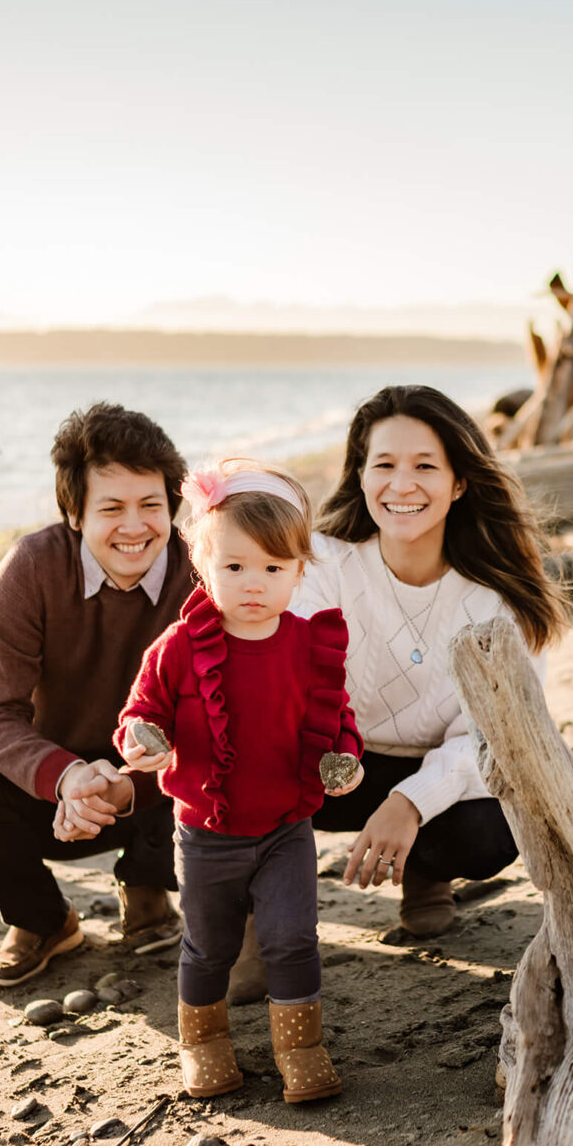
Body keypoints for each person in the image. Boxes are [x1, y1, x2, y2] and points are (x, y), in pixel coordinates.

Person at [105, 461, 361, 1103]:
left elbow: (340, 720)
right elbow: (141, 711)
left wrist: (344, 760)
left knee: (292, 936)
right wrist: (143, 738)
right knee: (208, 943)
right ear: (205, 566)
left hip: (285, 828)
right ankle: (204, 1043)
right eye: (235, 567)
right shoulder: (177, 647)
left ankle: (299, 1046)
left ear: (300, 569)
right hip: (204, 831)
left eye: (274, 569)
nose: (254, 584)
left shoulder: (308, 646)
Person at [291, 384, 571, 944]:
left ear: (459, 482)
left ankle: (428, 873)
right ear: (361, 476)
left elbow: (496, 738)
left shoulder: (499, 600)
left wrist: (411, 803)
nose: (402, 484)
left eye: (425, 465)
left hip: (436, 769)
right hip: (332, 760)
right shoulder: (323, 565)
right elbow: (273, 682)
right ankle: (260, 917)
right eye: (384, 465)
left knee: (491, 830)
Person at [0, 404, 193, 987]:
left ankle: (148, 885)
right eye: (112, 508)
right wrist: (69, 777)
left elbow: (224, 712)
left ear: (172, 506)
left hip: (157, 788)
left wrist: (129, 784)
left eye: (151, 505)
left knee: (227, 755)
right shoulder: (31, 568)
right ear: (75, 513)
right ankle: (44, 921)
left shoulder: (198, 574)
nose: (135, 526)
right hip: (53, 797)